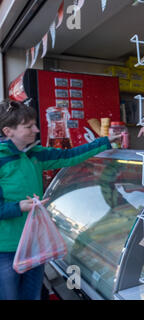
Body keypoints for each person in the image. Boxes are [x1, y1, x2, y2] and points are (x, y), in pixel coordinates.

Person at [0, 100, 119, 300]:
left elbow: (70, 156)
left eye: (35, 124)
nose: (36, 130)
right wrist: (18, 207)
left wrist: (105, 141)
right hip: (6, 249)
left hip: (34, 244)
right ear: (8, 131)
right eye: (29, 126)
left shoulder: (35, 154)